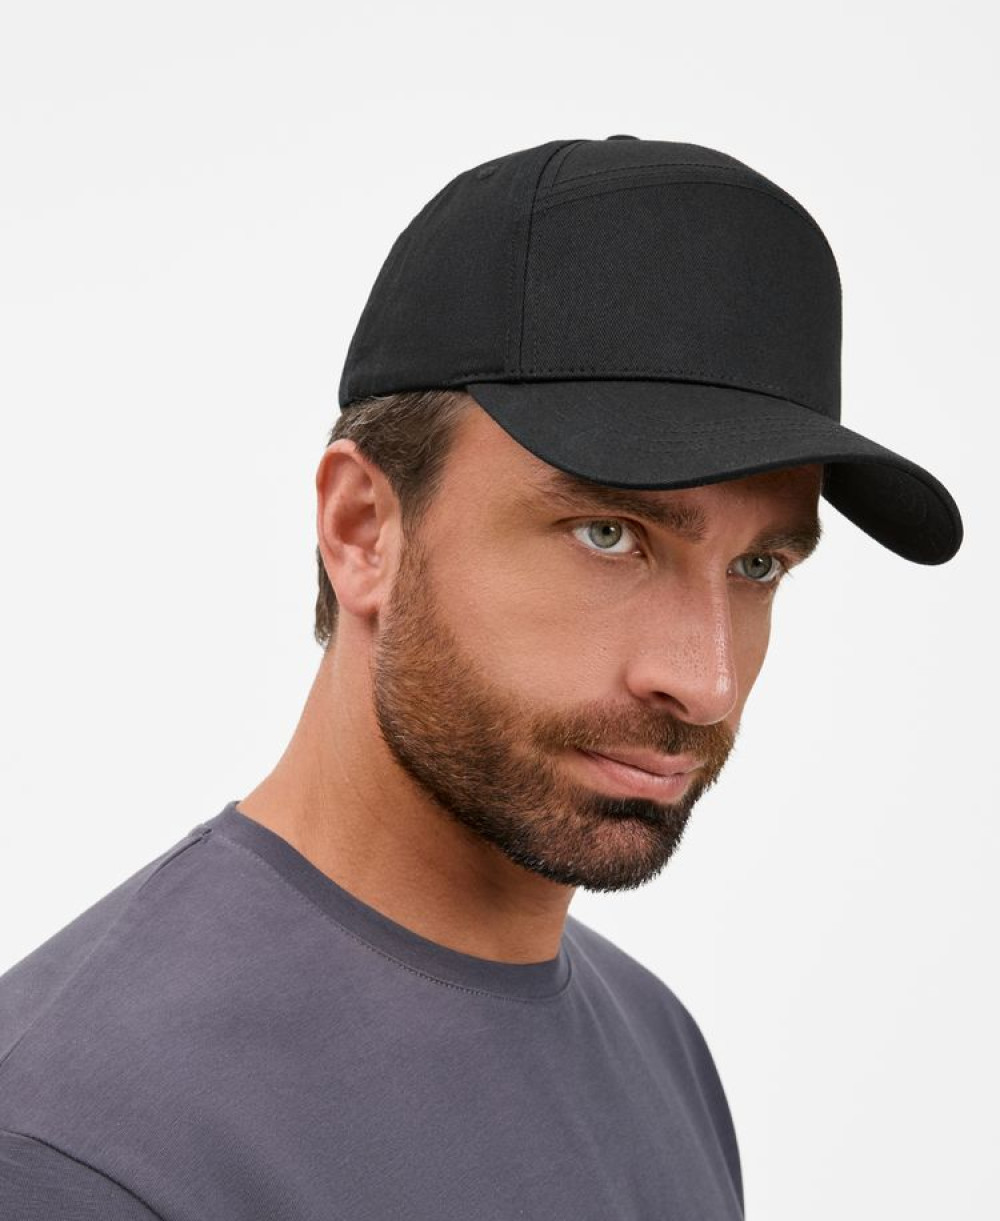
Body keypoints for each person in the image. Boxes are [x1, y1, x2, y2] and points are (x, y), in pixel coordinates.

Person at [0, 136, 962, 1219]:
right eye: (609, 533)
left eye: (757, 566)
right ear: (363, 529)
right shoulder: (73, 1148)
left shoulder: (659, 1047)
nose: (705, 681)